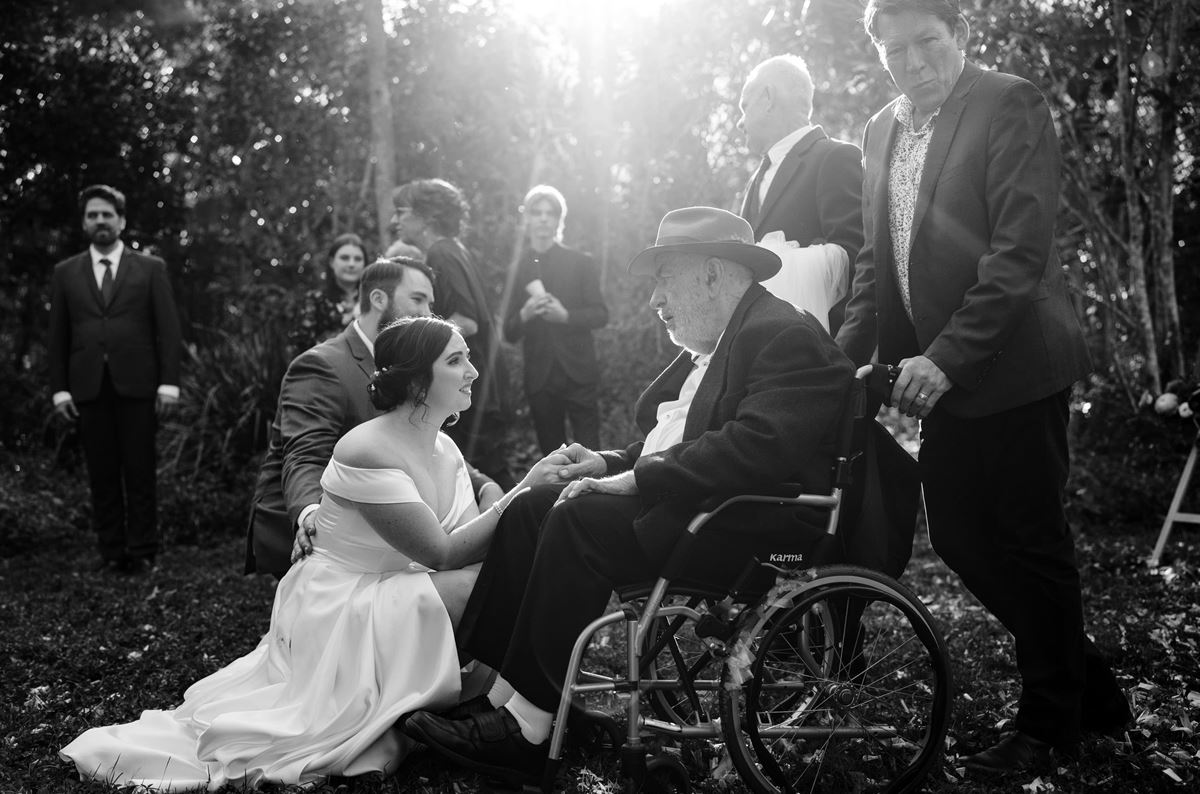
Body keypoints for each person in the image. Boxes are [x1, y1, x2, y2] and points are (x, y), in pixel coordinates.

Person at [402, 207, 854, 786]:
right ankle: (499, 695)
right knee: (534, 503)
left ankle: (530, 730)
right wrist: (608, 463)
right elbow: (671, 440)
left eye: (664, 278)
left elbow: (757, 448)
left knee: (578, 517)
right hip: (695, 509)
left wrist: (634, 480)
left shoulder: (783, 333)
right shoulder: (725, 340)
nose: (654, 299)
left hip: (745, 530)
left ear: (713, 273)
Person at [61, 316, 572, 791]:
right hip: (342, 601)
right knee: (476, 583)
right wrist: (523, 488)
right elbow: (441, 553)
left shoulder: (447, 448)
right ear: (417, 381)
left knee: (499, 571)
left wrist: (500, 503)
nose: (473, 371)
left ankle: (511, 709)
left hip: (399, 584)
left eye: (467, 358)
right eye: (456, 360)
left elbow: (470, 535)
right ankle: (507, 713)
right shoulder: (365, 448)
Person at [835, 0, 1129, 775]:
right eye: (894, 51)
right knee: (963, 541)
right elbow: (875, 265)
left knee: (1032, 544)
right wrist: (837, 360)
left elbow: (1016, 253)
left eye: (927, 44)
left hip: (1013, 365)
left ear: (961, 36)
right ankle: (1089, 684)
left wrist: (947, 358)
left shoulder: (1009, 102)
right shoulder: (877, 131)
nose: (913, 63)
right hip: (939, 379)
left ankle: (1050, 726)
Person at [244, 257, 501, 578]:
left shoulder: (424, 364)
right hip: (328, 534)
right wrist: (311, 515)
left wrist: (486, 488)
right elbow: (304, 456)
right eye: (417, 299)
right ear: (379, 299)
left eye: (430, 302)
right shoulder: (322, 365)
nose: (427, 312)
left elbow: (430, 446)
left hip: (393, 522)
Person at [48, 184, 183, 575]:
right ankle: (111, 552)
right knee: (102, 472)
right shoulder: (65, 273)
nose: (100, 221)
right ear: (84, 223)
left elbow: (169, 330)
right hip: (88, 387)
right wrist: (59, 390)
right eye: (93, 215)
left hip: (139, 385)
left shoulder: (150, 268)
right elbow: (57, 337)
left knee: (140, 470)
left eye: (107, 214)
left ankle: (143, 550)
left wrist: (168, 383)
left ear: (121, 220)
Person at [393, 178, 513, 488]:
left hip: (474, 385)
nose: (396, 220)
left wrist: (416, 340)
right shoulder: (452, 250)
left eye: (402, 212)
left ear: (426, 216)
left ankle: (528, 529)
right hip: (480, 383)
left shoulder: (441, 254)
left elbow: (468, 321)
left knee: (486, 478)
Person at [737, 54, 863, 333]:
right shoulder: (754, 182)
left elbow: (859, 265)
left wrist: (842, 352)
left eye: (744, 107)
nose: (739, 122)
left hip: (818, 349)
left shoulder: (835, 158)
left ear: (768, 98)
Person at [502, 185, 608, 453]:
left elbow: (600, 314)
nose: (543, 218)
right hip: (540, 378)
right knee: (552, 458)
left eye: (550, 213)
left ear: (559, 219)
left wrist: (566, 316)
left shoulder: (581, 262)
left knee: (590, 453)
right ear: (527, 219)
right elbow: (509, 332)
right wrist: (525, 314)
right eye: (536, 212)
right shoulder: (517, 268)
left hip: (579, 373)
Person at [291, 233, 369, 352]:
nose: (351, 264)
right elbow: (301, 347)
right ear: (332, 262)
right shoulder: (314, 300)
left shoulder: (373, 300)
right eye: (344, 258)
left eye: (358, 259)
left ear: (365, 264)